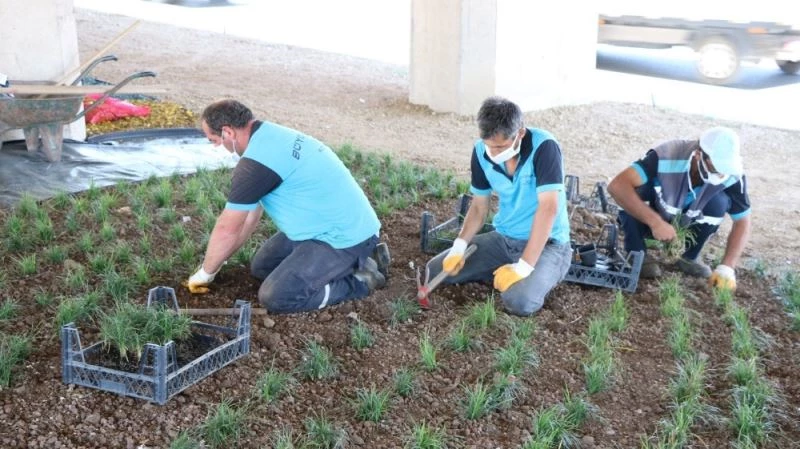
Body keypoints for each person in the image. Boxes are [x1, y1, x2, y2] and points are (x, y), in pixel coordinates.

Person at [185, 99, 390, 313]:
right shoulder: (269, 135)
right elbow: (246, 219)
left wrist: (205, 274)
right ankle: (361, 260)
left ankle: (361, 280)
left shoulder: (255, 165)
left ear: (228, 132)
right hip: (324, 224)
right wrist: (216, 264)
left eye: (214, 140)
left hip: (343, 237)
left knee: (277, 297)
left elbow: (227, 229)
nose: (217, 146)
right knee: (262, 267)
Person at [425, 96, 572, 316]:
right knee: (436, 270)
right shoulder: (480, 153)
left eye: (501, 146)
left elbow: (548, 209)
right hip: (504, 240)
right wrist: (459, 246)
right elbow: (478, 208)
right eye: (489, 146)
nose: (493, 154)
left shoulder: (544, 147)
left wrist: (524, 266)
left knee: (519, 301)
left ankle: (540, 271)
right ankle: (503, 271)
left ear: (520, 133)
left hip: (548, 246)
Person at [607, 126, 750, 291]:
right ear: (698, 155)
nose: (721, 175)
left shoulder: (733, 174)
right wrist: (656, 223)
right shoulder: (667, 155)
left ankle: (689, 257)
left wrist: (727, 267)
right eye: (717, 167)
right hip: (656, 209)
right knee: (635, 191)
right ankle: (637, 253)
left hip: (687, 216)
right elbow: (617, 186)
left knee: (719, 203)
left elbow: (743, 222)